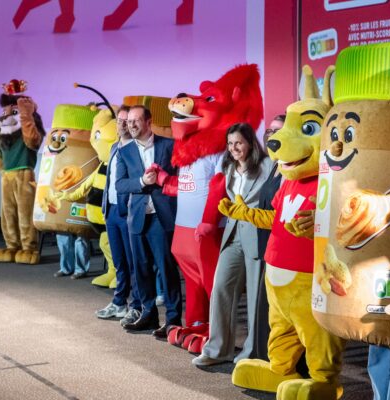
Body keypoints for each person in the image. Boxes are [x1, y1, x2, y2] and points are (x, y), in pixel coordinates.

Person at [192, 122, 272, 366]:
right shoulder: (228, 167)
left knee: (256, 298)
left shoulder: (267, 166)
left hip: (256, 233)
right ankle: (217, 350)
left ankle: (252, 353)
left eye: (238, 143)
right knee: (221, 288)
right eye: (230, 143)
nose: (234, 148)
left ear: (250, 143)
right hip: (233, 233)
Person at [115, 105, 182, 338]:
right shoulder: (124, 152)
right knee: (141, 270)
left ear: (148, 122)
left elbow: (181, 177)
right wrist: (142, 182)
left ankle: (173, 320)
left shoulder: (169, 145)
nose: (131, 125)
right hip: (137, 218)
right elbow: (120, 185)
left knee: (166, 269)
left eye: (136, 120)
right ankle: (148, 314)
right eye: (128, 121)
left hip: (162, 217)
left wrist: (163, 180)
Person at [95, 105, 142, 324]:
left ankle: (137, 306)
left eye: (126, 120)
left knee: (133, 263)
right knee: (119, 262)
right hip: (112, 211)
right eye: (119, 120)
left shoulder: (136, 149)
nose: (122, 124)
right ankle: (119, 302)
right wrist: (106, 207)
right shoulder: (114, 147)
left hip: (128, 212)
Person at [250, 114, 285, 361]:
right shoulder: (274, 164)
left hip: (282, 249)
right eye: (270, 131)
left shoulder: (291, 169)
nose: (272, 135)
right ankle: (265, 358)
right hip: (267, 245)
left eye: (278, 130)